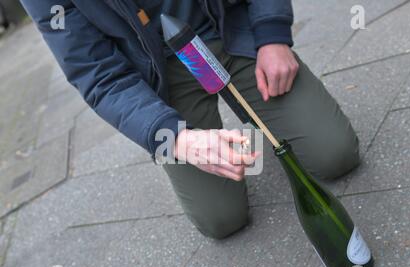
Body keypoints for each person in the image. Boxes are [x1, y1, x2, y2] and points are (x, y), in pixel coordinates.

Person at [21, 0, 360, 239]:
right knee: (222, 220)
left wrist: (272, 36)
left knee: (336, 154)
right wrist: (174, 136)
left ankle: (265, 117)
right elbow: (99, 76)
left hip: (231, 30)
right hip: (163, 76)